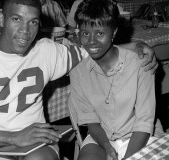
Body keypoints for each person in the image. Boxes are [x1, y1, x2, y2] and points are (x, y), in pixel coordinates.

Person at [0, 0, 156, 160]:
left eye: (33, 22)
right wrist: (13, 137)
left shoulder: (47, 51)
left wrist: (137, 47)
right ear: (0, 18)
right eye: (16, 19)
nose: (25, 31)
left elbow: (91, 48)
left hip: (39, 143)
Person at [68, 0, 158, 160]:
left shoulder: (140, 63)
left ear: (114, 32)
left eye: (100, 33)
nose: (92, 41)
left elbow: (144, 121)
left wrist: (128, 157)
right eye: (85, 33)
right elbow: (91, 121)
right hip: (101, 139)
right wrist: (108, 147)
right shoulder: (78, 72)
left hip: (140, 135)